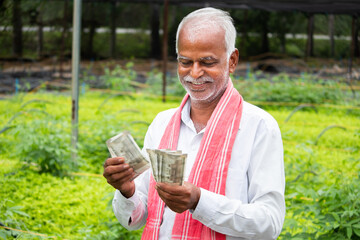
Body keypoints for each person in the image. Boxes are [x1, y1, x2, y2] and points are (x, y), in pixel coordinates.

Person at [103, 7, 285, 240]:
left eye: (207, 62)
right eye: (185, 61)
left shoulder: (258, 126)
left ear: (232, 61)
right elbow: (136, 219)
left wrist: (200, 201)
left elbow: (269, 222)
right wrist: (127, 192)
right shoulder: (163, 123)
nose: (195, 73)